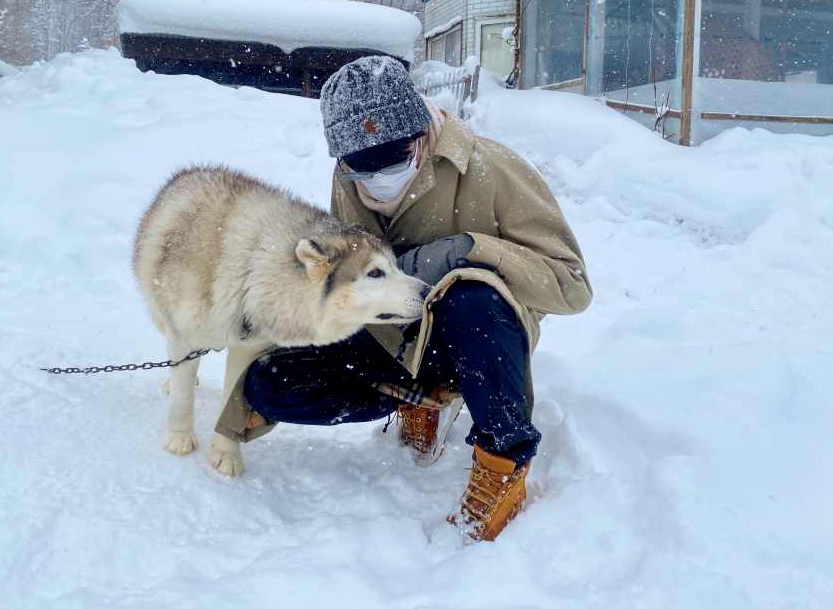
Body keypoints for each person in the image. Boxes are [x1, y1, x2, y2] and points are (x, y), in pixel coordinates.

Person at [238, 56, 592, 541]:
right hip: (395, 336)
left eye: (392, 156)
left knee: (472, 296)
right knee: (270, 382)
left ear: (420, 133)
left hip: (479, 339)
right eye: (362, 166)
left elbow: (572, 285)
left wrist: (469, 250)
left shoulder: (492, 170)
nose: (377, 177)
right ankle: (417, 399)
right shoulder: (350, 180)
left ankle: (502, 460)